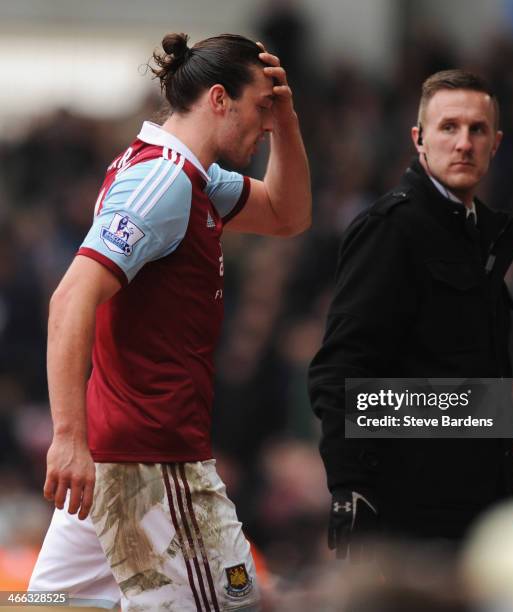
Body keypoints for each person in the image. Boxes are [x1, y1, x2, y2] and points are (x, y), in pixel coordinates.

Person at [29, 32, 311, 610]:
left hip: (115, 465)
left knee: (46, 605)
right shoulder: (162, 184)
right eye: (261, 107)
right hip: (156, 471)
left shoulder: (190, 177)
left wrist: (287, 123)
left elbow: (287, 214)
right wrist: (66, 438)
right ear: (217, 99)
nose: (265, 124)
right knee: (238, 605)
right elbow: (70, 300)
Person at [308, 69, 513, 560]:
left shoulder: (483, 238)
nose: (464, 143)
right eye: (448, 127)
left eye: (477, 130)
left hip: (478, 513)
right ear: (419, 140)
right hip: (413, 516)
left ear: (496, 144)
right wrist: (351, 485)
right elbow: (341, 366)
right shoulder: (392, 230)